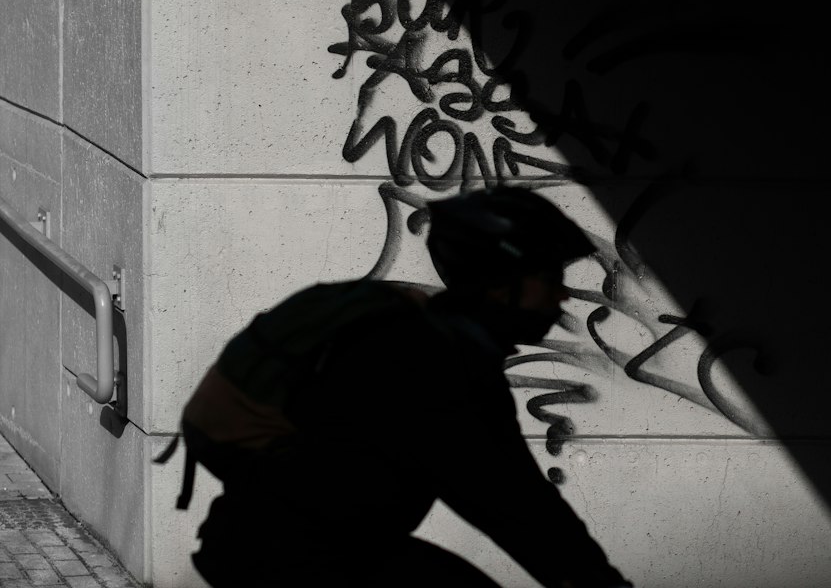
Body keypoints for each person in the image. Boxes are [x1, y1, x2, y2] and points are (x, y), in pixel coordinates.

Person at [178, 186, 633, 587]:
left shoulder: (431, 339)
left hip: (303, 547)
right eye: (549, 278)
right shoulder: (430, 363)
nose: (563, 296)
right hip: (288, 561)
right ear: (500, 285)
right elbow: (511, 502)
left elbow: (511, 498)